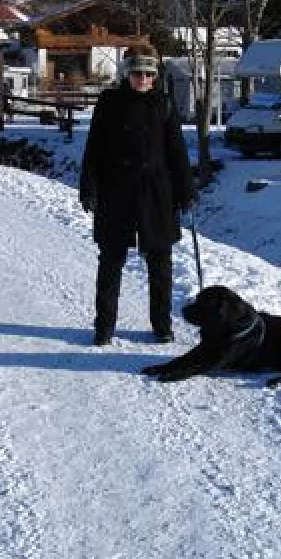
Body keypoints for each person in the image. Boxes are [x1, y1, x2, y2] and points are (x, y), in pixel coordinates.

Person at [79, 43, 195, 346]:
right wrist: (89, 188)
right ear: (126, 74)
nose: (142, 78)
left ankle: (161, 325)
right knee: (111, 261)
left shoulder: (164, 104)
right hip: (116, 191)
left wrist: (186, 190)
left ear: (155, 75)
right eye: (136, 73)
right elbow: (94, 148)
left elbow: (177, 151)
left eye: (148, 73)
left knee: (160, 263)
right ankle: (104, 326)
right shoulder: (109, 102)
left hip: (156, 193)